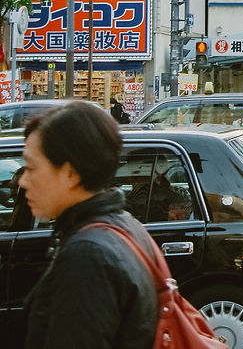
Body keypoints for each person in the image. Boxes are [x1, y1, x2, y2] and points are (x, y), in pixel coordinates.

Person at [19, 101, 158, 348]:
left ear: (71, 174)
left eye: (31, 168)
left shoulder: (87, 255)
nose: (23, 181)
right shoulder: (125, 226)